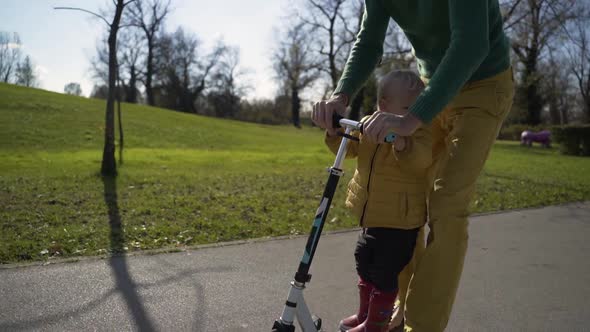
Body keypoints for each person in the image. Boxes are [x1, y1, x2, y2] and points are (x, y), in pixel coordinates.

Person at [312, 1, 515, 331]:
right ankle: (399, 306)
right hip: (428, 87)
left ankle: (421, 325)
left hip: (483, 83)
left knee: (447, 203)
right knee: (406, 198)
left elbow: (472, 42)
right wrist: (341, 95)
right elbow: (369, 39)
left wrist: (411, 119)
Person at [324, 70, 430, 332]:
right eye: (406, 108)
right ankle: (365, 314)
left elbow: (422, 161)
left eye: (415, 108)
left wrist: (402, 143)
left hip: (400, 220)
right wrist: (334, 131)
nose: (411, 115)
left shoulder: (418, 129)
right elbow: (348, 149)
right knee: (364, 260)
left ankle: (375, 325)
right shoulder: (368, 123)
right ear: (384, 104)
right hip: (371, 214)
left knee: (384, 273)